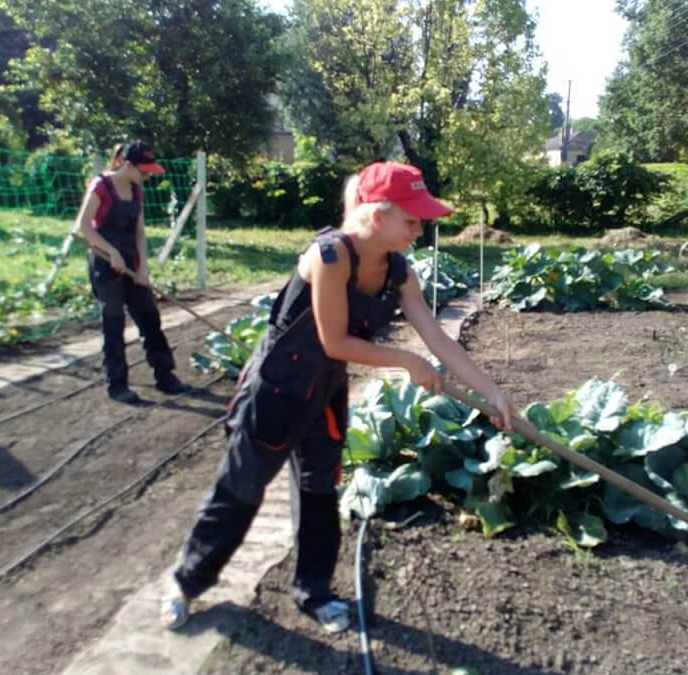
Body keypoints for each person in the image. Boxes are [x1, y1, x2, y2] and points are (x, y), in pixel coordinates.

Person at [161, 161, 514, 632]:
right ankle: (186, 583)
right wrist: (406, 362)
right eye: (411, 220)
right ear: (376, 217)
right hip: (275, 391)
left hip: (324, 392)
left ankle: (313, 592)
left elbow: (437, 338)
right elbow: (335, 342)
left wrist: (493, 393)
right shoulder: (329, 257)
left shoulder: (398, 271)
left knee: (320, 492)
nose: (419, 229)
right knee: (240, 491)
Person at [76, 141, 190, 404]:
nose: (147, 176)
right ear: (126, 165)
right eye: (144, 171)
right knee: (113, 324)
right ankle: (117, 385)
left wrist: (142, 268)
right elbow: (85, 227)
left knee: (150, 318)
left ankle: (165, 376)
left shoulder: (137, 191)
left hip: (131, 262)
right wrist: (111, 252)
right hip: (106, 265)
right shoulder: (101, 187)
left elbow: (139, 232)